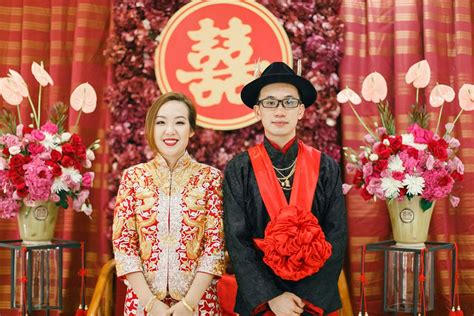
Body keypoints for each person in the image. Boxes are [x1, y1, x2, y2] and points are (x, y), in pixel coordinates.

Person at [223, 62, 347, 316]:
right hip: (262, 304)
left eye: (289, 102)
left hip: (314, 304)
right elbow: (237, 242)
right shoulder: (239, 169)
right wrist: (272, 298)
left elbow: (336, 236)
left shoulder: (326, 167)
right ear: (257, 111)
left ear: (301, 110)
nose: (279, 110)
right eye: (270, 102)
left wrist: (306, 300)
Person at [112, 92, 225, 316]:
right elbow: (124, 244)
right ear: (151, 128)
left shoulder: (210, 178)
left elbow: (215, 247)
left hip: (198, 305)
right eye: (161, 122)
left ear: (191, 130)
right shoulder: (133, 177)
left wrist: (188, 305)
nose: (170, 130)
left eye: (180, 122)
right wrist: (151, 304)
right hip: (143, 305)